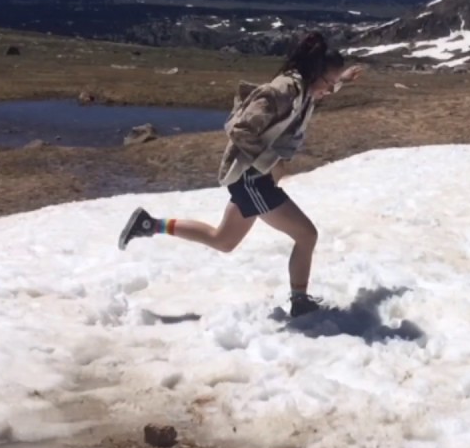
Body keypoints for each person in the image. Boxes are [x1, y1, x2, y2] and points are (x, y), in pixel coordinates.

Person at [117, 31, 365, 318]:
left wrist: (342, 80)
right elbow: (239, 128)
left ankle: (149, 225)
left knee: (223, 240)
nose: (328, 89)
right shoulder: (283, 90)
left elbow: (316, 92)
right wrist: (270, 162)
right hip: (253, 179)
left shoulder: (304, 88)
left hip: (252, 179)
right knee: (307, 235)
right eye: (328, 83)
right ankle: (300, 302)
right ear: (313, 72)